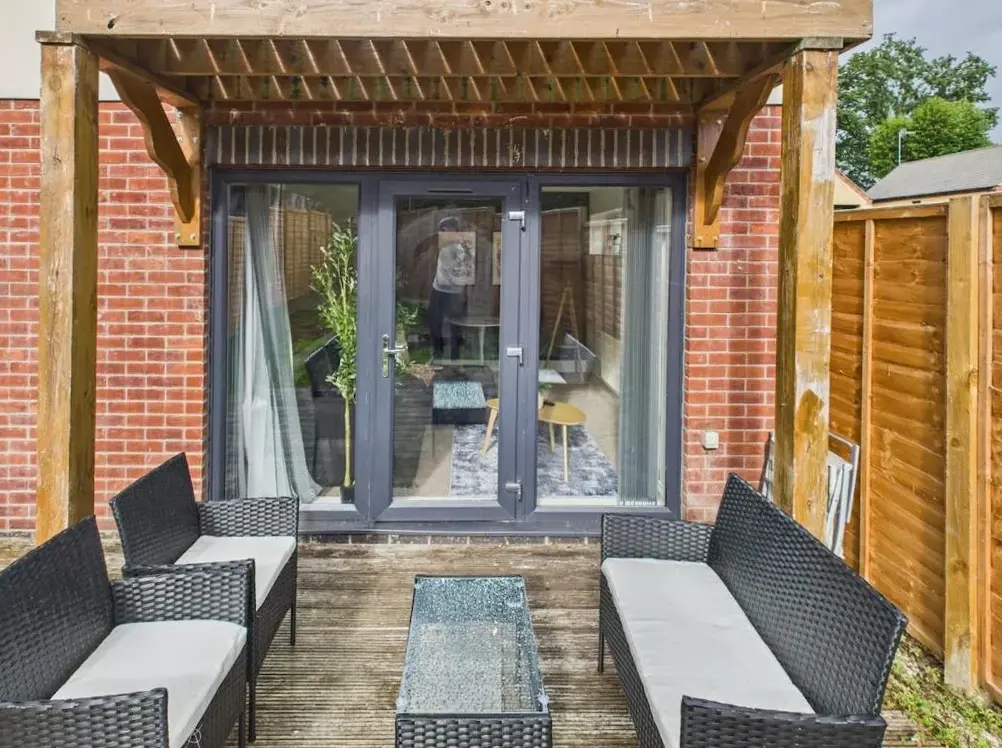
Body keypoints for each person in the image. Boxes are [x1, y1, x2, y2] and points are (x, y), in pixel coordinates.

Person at [428, 216, 468, 360]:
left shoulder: (458, 249)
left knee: (454, 324)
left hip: (452, 292)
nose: (442, 233)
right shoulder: (444, 247)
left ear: (454, 231)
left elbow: (457, 271)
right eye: (442, 231)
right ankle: (437, 353)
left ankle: (454, 356)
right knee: (435, 321)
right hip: (438, 289)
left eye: (445, 230)